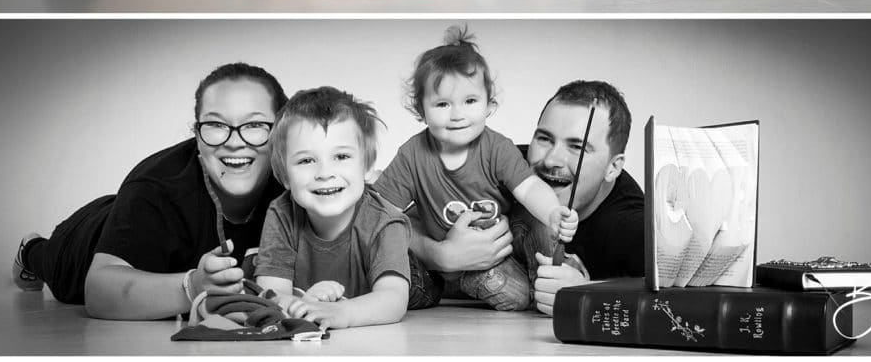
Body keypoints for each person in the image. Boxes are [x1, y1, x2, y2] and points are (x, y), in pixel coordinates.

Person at [11, 63, 288, 320]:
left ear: (280, 133)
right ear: (196, 134)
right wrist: (192, 287)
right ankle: (31, 250)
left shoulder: (295, 181)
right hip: (88, 239)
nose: (235, 142)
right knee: (55, 264)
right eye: (216, 125)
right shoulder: (157, 186)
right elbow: (98, 292)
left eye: (254, 125)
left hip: (134, 211)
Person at [372, 26, 578, 311]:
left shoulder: (496, 147)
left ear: (488, 105)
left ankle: (545, 280)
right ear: (421, 110)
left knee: (540, 228)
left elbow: (529, 188)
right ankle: (472, 282)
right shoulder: (413, 154)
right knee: (515, 298)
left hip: (498, 248)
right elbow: (383, 213)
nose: (457, 115)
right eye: (442, 104)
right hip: (450, 260)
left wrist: (554, 213)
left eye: (470, 101)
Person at [410, 79, 643, 316]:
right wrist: (439, 255)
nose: (551, 159)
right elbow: (390, 218)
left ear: (613, 167)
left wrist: (587, 292)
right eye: (544, 139)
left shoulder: (630, 226)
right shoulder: (501, 165)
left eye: (577, 147)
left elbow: (675, 300)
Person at [256, 87, 411, 330]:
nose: (325, 173)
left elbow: (393, 300)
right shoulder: (282, 213)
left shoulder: (386, 221)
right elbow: (270, 293)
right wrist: (300, 302)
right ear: (285, 176)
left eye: (341, 156)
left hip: (415, 281)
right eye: (306, 160)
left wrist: (342, 313)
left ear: (367, 167)